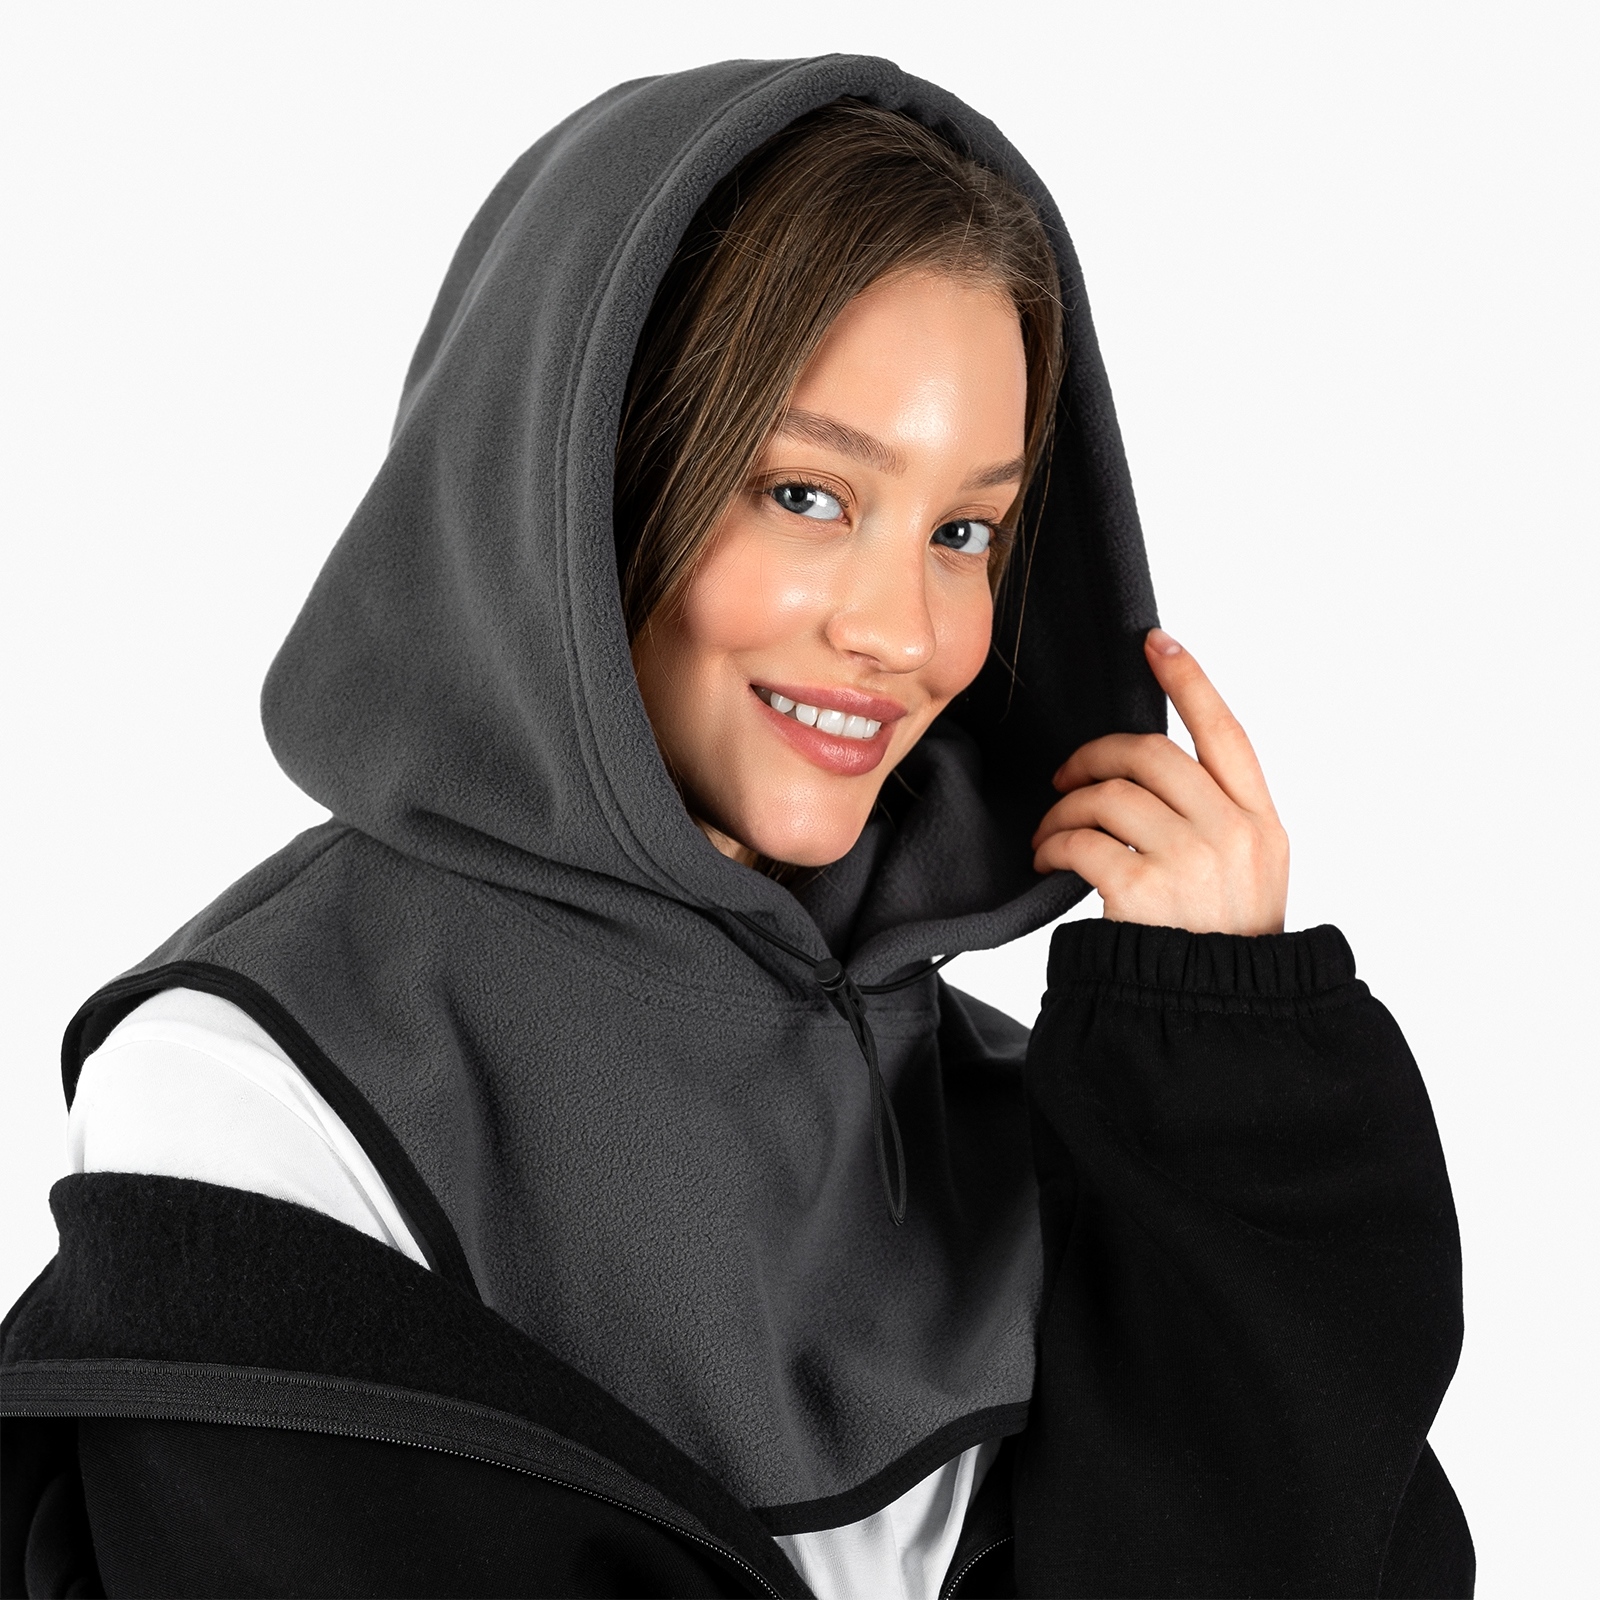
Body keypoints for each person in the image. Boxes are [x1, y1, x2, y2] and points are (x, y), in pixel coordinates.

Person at [0, 57, 1472, 1599]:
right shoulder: (265, 1079)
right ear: (580, 478)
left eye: (965, 530)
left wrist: (1222, 1075)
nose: (903, 631)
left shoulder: (999, 1113)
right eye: (807, 495)